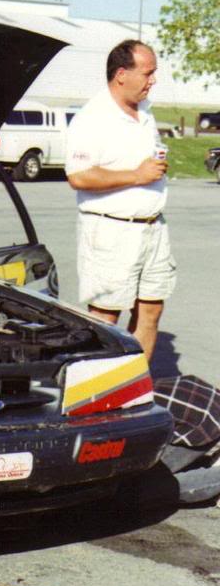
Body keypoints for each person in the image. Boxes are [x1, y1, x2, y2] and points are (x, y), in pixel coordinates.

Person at [65, 39, 173, 363]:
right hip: (111, 232)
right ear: (121, 74)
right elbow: (79, 176)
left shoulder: (145, 111)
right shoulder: (92, 117)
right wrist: (137, 175)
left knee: (151, 309)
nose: (153, 80)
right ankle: (98, 389)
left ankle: (137, 383)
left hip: (153, 229)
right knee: (105, 318)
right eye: (148, 73)